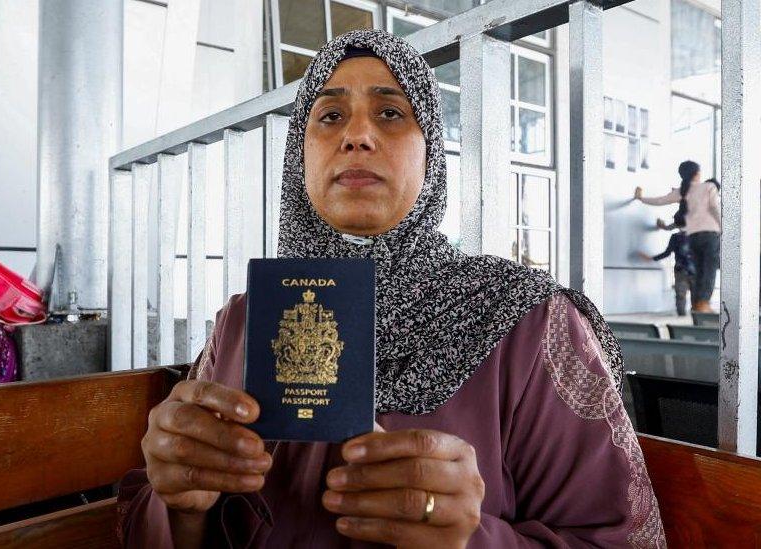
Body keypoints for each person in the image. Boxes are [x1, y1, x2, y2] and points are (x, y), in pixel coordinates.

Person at [119, 30, 665, 548]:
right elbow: (159, 519)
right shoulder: (244, 320)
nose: (357, 135)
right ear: (297, 159)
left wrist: (471, 539)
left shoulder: (526, 322)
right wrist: (181, 506)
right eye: (330, 116)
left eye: (390, 112)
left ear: (430, 156)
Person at [635, 161, 721, 313]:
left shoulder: (683, 191)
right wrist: (724, 227)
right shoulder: (709, 187)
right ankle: (703, 303)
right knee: (709, 270)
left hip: (693, 237)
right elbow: (714, 207)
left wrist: (641, 199)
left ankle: (697, 305)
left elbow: (660, 200)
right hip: (710, 235)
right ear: (696, 173)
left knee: (699, 270)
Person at [639, 211, 696, 316]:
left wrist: (651, 258)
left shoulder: (675, 237)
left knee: (680, 295)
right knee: (696, 297)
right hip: (696, 270)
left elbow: (667, 253)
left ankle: (682, 317)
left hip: (681, 270)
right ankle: (696, 319)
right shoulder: (697, 236)